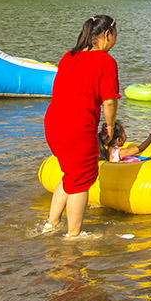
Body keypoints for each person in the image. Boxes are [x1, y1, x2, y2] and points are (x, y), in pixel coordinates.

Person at [43, 15, 120, 237]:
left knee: (71, 174)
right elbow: (109, 101)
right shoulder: (106, 61)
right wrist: (110, 127)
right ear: (107, 35)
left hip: (53, 124)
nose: (115, 40)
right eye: (115, 36)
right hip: (77, 126)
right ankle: (73, 235)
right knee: (83, 179)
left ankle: (51, 224)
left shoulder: (69, 56)